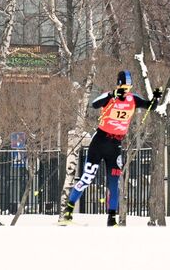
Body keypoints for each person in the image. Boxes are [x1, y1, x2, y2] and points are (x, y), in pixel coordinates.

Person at [59, 70, 161, 226]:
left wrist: (156, 98)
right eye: (124, 86)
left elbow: (150, 106)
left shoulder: (133, 99)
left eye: (129, 86)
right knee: (87, 178)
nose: (126, 90)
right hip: (100, 141)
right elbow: (95, 104)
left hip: (115, 145)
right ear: (118, 85)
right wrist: (112, 94)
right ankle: (68, 213)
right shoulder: (110, 96)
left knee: (114, 184)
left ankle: (111, 219)